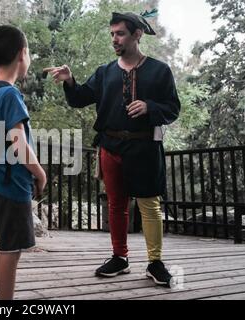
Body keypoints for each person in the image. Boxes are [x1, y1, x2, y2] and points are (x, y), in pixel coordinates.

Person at [44, 11, 181, 287]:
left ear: (137, 35)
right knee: (116, 205)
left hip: (144, 147)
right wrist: (70, 81)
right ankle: (120, 257)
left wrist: (150, 107)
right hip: (110, 146)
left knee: (149, 205)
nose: (114, 39)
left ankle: (155, 263)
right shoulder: (105, 72)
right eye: (112, 34)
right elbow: (80, 98)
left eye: (120, 33)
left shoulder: (159, 70)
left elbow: (173, 108)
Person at [0, 25, 47, 300]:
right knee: (10, 251)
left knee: (6, 242)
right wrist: (40, 174)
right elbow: (18, 142)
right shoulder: (10, 94)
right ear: (22, 54)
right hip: (11, 184)